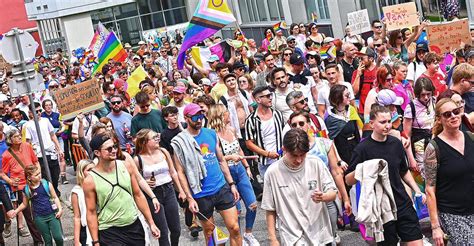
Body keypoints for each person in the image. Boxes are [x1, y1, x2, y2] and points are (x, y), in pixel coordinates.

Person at [345, 105, 425, 246]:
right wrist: (364, 168)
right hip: (381, 207)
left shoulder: (396, 143)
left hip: (402, 201)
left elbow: (403, 171)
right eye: (383, 122)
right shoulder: (362, 149)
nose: (387, 126)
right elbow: (348, 179)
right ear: (372, 124)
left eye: (389, 121)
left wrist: (417, 191)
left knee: (416, 243)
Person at [171, 103, 242, 245]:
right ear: (186, 118)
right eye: (195, 117)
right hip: (200, 193)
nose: (199, 120)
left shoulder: (210, 133)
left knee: (234, 227)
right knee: (210, 232)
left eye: (201, 116)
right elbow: (180, 172)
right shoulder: (179, 142)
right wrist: (190, 199)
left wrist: (232, 184)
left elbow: (221, 160)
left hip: (221, 187)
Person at [262, 128, 338, 245]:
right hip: (292, 238)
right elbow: (270, 208)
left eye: (302, 155)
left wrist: (324, 196)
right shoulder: (273, 172)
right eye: (294, 155)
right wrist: (273, 239)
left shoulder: (316, 163)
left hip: (320, 236)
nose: (299, 160)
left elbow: (333, 192)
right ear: (284, 150)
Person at [83, 134, 160, 245]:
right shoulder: (90, 180)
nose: (114, 150)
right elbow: (91, 212)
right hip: (110, 231)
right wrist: (96, 242)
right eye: (109, 149)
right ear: (97, 153)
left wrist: (151, 223)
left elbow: (138, 195)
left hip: (134, 227)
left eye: (114, 146)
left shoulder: (126, 166)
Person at [288, 111, 351, 243]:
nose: (298, 127)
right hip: (303, 197)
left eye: (301, 123)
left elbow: (336, 172)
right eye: (294, 125)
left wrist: (345, 198)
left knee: (330, 232)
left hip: (326, 193)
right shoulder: (290, 149)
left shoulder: (324, 144)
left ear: (309, 124)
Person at [207, 104, 260, 246]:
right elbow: (217, 159)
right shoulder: (213, 135)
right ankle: (236, 239)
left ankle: (248, 233)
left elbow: (240, 149)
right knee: (235, 214)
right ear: (220, 116)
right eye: (226, 112)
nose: (229, 114)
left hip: (240, 170)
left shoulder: (231, 129)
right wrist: (230, 157)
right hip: (226, 173)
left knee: (253, 204)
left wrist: (247, 166)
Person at [424, 98, 474, 246]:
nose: (453, 116)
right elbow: (430, 190)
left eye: (456, 111)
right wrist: (435, 227)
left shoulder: (471, 138)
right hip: (452, 213)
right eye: (447, 114)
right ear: (439, 119)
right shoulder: (434, 148)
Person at [134, 129, 185, 246]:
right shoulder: (138, 159)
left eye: (157, 136)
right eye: (154, 138)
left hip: (169, 190)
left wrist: (181, 190)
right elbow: (135, 180)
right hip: (153, 194)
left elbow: (173, 172)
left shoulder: (163, 152)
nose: (158, 139)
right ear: (144, 142)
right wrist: (145, 182)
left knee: (176, 229)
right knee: (163, 231)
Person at [1, 129, 43, 244]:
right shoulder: (6, 155)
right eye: (16, 136)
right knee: (29, 217)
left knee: (40, 212)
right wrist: (10, 181)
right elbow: (2, 173)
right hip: (20, 188)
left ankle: (44, 237)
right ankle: (38, 240)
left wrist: (38, 175)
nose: (19, 137)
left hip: (34, 183)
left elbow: (36, 162)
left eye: (20, 135)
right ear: (10, 140)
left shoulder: (27, 146)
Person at [12, 165, 63, 246]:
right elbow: (24, 204)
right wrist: (16, 211)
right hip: (39, 218)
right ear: (29, 177)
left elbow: (55, 197)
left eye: (39, 173)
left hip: (53, 214)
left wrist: (60, 209)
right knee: (47, 241)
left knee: (58, 237)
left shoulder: (47, 184)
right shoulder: (26, 189)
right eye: (36, 175)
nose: (39, 176)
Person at [23, 102, 63, 196]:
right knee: (45, 175)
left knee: (55, 173)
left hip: (51, 152)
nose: (38, 113)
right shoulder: (28, 125)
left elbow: (53, 135)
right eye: (36, 111)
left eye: (40, 110)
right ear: (30, 113)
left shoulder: (45, 121)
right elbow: (28, 142)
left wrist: (59, 149)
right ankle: (51, 194)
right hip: (40, 154)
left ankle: (55, 189)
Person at [245, 86, 285, 178]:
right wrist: (267, 154)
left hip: (282, 159)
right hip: (265, 163)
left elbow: (284, 134)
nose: (270, 98)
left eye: (270, 95)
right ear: (258, 100)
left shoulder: (278, 114)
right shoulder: (251, 120)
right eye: (267, 96)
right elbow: (249, 143)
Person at [403, 77, 436, 176]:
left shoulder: (434, 101)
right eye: (423, 95)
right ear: (417, 94)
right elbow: (406, 136)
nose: (426, 97)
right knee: (421, 173)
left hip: (433, 139)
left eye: (428, 94)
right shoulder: (411, 107)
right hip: (419, 142)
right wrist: (411, 159)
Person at [325, 84, 363, 164]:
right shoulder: (330, 118)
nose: (350, 97)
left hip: (356, 147)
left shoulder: (351, 110)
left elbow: (358, 129)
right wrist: (339, 160)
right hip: (342, 151)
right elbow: (331, 141)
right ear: (338, 98)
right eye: (347, 96)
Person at [71, 159, 95, 246]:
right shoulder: (76, 192)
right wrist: (77, 241)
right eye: (89, 170)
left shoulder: (99, 185)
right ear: (81, 172)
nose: (92, 172)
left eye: (94, 169)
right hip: (86, 229)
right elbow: (77, 217)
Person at [352, 47, 377, 114]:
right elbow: (354, 92)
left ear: (371, 59)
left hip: (378, 110)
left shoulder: (378, 70)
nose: (360, 61)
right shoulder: (356, 72)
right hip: (363, 111)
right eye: (359, 58)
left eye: (362, 58)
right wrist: (358, 75)